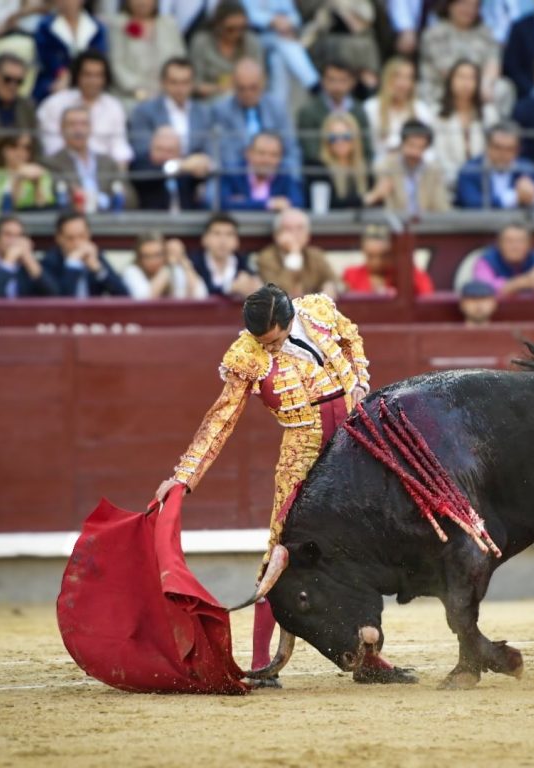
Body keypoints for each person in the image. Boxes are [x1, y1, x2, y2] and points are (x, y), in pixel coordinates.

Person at [153, 284, 415, 686]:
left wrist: (360, 378)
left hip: (351, 442)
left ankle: (369, 657)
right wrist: (184, 476)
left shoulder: (317, 312)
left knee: (362, 546)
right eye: (262, 343)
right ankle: (262, 663)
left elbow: (351, 338)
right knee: (280, 550)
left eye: (273, 341)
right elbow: (221, 419)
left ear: (288, 319)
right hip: (302, 450)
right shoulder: (247, 355)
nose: (269, 350)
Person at [37, 51, 133, 167]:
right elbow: (51, 146)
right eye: (87, 75)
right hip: (63, 168)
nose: (93, 81)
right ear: (77, 76)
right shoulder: (54, 104)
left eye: (98, 75)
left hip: (104, 172)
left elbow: (120, 147)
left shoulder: (114, 106)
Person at [210, 58, 302, 178]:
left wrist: (286, 177)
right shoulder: (221, 110)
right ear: (233, 85)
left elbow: (291, 150)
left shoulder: (277, 107)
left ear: (262, 83)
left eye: (253, 88)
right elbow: (224, 154)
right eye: (241, 88)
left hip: (276, 177)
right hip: (237, 178)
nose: (248, 94)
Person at [419, 0, 510, 113]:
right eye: (464, 4)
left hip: (480, 89)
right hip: (442, 87)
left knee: (503, 88)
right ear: (450, 6)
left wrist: (486, 84)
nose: (469, 10)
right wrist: (472, 86)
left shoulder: (485, 33)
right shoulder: (434, 34)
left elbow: (493, 62)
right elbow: (447, 71)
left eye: (474, 6)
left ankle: (494, 127)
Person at [44, 106, 137, 211]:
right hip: (74, 220)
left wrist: (107, 199)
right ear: (61, 128)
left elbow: (130, 199)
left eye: (84, 124)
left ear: (91, 127)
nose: (78, 130)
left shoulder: (107, 161)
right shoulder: (51, 163)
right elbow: (59, 196)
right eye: (72, 124)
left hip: (109, 220)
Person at [129, 57, 214, 163]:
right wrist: (181, 166)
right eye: (174, 82)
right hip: (158, 175)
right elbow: (141, 152)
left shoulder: (204, 112)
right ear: (163, 83)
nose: (180, 88)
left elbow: (211, 153)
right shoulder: (144, 111)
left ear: (193, 84)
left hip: (196, 176)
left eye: (185, 82)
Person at [432, 60, 501, 190]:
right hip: (447, 182)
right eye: (461, 77)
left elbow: (493, 152)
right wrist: (459, 179)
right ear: (450, 80)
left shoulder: (489, 113)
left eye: (471, 78)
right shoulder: (436, 114)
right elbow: (438, 154)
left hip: (483, 182)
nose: (466, 83)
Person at [297, 58, 372, 168]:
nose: (337, 86)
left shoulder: (359, 111)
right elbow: (310, 151)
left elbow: (366, 149)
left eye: (343, 80)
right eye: (331, 80)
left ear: (352, 82)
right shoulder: (308, 111)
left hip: (355, 172)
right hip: (322, 173)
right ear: (322, 81)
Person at [107, 0, 186, 106]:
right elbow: (116, 64)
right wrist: (141, 92)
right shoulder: (117, 24)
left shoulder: (169, 24)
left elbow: (180, 60)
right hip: (129, 96)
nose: (142, 2)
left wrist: (170, 88)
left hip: (168, 94)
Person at [240, 0, 320, 104]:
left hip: (281, 37)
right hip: (256, 37)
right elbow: (246, 15)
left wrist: (286, 23)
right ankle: (313, 83)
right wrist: (272, 20)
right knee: (286, 44)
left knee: (278, 59)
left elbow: (296, 17)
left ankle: (277, 105)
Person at [369, 120, 450, 215]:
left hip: (427, 225)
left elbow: (442, 208)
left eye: (421, 148)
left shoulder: (433, 171)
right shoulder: (385, 167)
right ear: (402, 142)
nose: (415, 152)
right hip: (396, 225)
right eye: (411, 145)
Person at [32, 0, 108, 102]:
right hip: (54, 77)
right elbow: (46, 56)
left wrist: (77, 75)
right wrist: (63, 74)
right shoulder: (45, 26)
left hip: (88, 77)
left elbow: (98, 56)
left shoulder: (97, 27)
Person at [455, 121, 534, 209]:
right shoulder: (470, 170)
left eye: (509, 149)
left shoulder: (528, 170)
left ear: (517, 150)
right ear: (487, 147)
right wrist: (513, 198)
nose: (503, 154)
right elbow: (471, 203)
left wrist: (532, 195)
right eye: (497, 147)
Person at [189, 1, 264, 101]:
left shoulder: (251, 42)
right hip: (212, 100)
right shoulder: (202, 42)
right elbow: (195, 84)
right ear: (217, 25)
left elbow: (261, 78)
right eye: (230, 29)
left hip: (247, 97)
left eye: (242, 28)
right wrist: (221, 88)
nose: (237, 33)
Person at [254, 209, 339, 298]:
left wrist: (331, 286)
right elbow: (281, 292)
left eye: (300, 228)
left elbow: (339, 284)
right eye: (288, 229)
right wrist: (294, 253)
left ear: (308, 234)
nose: (295, 233)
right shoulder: (265, 258)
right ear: (277, 235)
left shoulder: (315, 255)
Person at [42, 211, 128, 297]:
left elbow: (124, 296)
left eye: (81, 236)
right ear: (59, 238)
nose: (77, 243)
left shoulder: (96, 256)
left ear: (89, 234)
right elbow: (62, 301)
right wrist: (72, 264)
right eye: (70, 238)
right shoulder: (50, 261)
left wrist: (98, 269)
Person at [0, 214, 58, 298]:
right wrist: (8, 262)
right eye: (8, 235)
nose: (14, 241)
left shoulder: (31, 263)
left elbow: (54, 294)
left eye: (19, 236)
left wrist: (30, 262)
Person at [300, 0, 381, 91]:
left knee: (367, 46)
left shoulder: (359, 4)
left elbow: (365, 23)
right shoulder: (323, 5)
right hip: (327, 42)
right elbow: (317, 27)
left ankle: (368, 87)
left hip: (356, 41)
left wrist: (347, 12)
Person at [363, 57, 435, 157]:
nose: (403, 84)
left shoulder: (421, 109)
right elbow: (368, 148)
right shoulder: (371, 108)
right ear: (387, 79)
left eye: (408, 77)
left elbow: (429, 150)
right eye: (397, 77)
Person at [341, 223, 434, 297]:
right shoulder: (352, 275)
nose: (377, 262)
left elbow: (427, 297)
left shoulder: (406, 275)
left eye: (383, 256)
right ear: (363, 251)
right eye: (371, 256)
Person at [303, 112, 372, 211]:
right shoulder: (317, 167)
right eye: (333, 138)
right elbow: (328, 204)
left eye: (346, 136)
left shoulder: (365, 167)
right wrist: (366, 199)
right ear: (326, 140)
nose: (340, 142)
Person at [218, 132, 303, 211]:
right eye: (261, 153)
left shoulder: (284, 174)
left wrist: (245, 202)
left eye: (274, 155)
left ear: (280, 158)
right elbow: (223, 203)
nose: (267, 160)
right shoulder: (233, 173)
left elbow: (297, 203)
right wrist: (270, 204)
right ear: (248, 153)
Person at [130, 126, 208, 210]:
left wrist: (200, 163)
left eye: (170, 151)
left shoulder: (186, 168)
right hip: (151, 221)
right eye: (159, 149)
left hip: (186, 219)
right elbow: (151, 175)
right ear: (151, 148)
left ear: (179, 152)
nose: (164, 155)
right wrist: (178, 166)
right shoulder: (140, 165)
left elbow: (202, 169)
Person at [472, 222, 534, 297]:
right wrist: (523, 282)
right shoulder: (486, 261)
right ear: (499, 244)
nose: (515, 246)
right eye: (509, 241)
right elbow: (483, 288)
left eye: (520, 241)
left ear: (529, 245)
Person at [187, 213, 262, 298]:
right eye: (217, 234)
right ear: (204, 239)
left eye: (229, 234)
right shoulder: (192, 263)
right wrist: (231, 288)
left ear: (237, 241)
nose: (223, 241)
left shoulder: (244, 264)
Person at [122, 231, 208, 299]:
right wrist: (167, 268)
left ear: (164, 254)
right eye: (147, 256)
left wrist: (183, 260)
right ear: (139, 258)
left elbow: (201, 295)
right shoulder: (131, 271)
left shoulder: (174, 269)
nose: (153, 261)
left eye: (157, 255)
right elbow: (145, 299)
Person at [0, 131, 54, 211]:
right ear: (2, 149)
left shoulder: (40, 172)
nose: (20, 152)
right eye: (14, 146)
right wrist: (17, 179)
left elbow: (46, 208)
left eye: (26, 148)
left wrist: (37, 185)